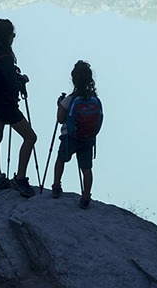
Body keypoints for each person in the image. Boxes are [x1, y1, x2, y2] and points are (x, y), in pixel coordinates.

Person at [0, 17, 38, 197]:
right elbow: (10, 83)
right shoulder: (5, 59)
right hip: (7, 105)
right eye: (12, 35)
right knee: (30, 137)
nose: (14, 37)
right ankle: (20, 179)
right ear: (6, 37)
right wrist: (20, 80)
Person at [51, 60, 102, 208]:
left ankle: (56, 187)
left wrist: (59, 105)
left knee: (61, 159)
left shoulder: (69, 99)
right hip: (88, 138)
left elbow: (60, 119)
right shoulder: (95, 100)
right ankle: (86, 196)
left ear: (73, 79)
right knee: (86, 168)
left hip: (69, 137)